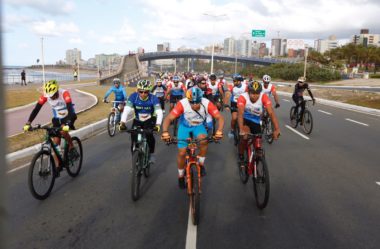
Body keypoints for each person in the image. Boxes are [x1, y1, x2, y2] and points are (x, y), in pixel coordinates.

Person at [161, 87, 224, 189]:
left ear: (201, 99)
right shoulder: (183, 103)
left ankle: (201, 164)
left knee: (204, 141)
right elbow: (169, 118)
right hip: (184, 127)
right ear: (188, 100)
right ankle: (181, 175)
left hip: (198, 126)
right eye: (192, 102)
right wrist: (165, 132)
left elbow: (219, 117)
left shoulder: (207, 103)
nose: (194, 105)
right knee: (182, 152)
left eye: (197, 102)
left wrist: (219, 131)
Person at [23, 80, 78, 175]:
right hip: (57, 118)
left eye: (52, 95)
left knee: (63, 132)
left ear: (57, 91)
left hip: (69, 116)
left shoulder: (64, 93)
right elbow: (36, 109)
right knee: (55, 143)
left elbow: (70, 108)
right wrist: (28, 122)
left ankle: (71, 146)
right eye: (49, 96)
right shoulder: (46, 95)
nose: (51, 97)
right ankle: (58, 166)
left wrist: (68, 123)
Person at [119, 80, 163, 164]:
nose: (143, 94)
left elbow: (159, 112)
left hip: (150, 120)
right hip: (138, 120)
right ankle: (135, 161)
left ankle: (151, 154)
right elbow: (126, 110)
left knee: (150, 136)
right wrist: (122, 123)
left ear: (149, 91)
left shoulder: (153, 98)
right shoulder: (133, 96)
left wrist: (158, 125)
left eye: (146, 92)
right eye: (141, 91)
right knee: (133, 140)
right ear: (137, 90)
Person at [237, 81, 280, 161]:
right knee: (245, 137)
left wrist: (277, 129)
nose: (255, 95)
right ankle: (241, 153)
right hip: (245, 119)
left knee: (258, 141)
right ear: (248, 92)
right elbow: (240, 114)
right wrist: (241, 129)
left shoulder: (263, 97)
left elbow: (271, 113)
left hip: (256, 120)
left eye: (257, 93)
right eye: (252, 93)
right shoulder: (243, 97)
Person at [225, 74, 247, 138]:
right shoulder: (231, 86)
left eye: (235, 81)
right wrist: (226, 104)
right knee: (234, 118)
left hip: (243, 104)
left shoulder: (245, 86)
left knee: (245, 118)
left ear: (239, 81)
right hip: (234, 103)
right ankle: (232, 130)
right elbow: (227, 94)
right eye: (233, 81)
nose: (233, 82)